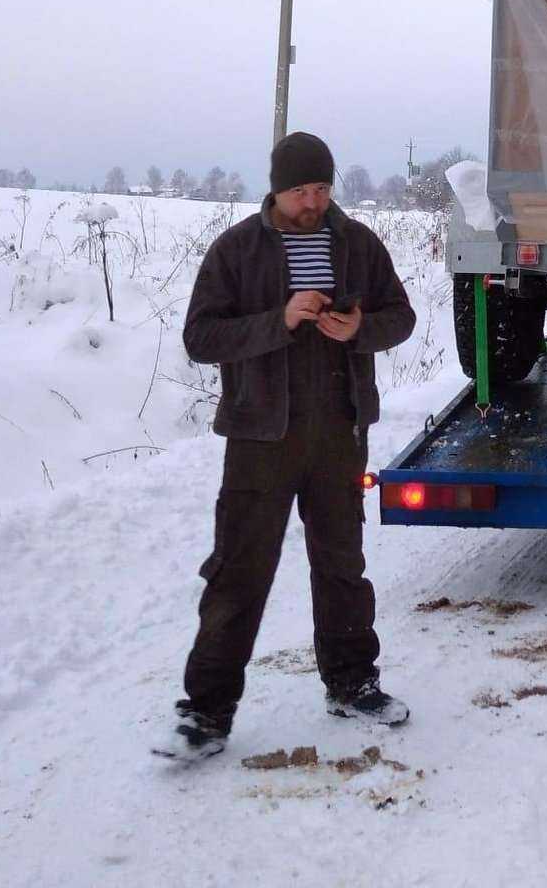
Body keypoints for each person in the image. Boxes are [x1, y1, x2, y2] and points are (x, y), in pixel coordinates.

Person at [158, 132, 416, 761]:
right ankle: (206, 713)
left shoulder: (357, 244)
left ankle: (352, 684)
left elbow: (401, 316)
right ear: (276, 189)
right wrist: (280, 320)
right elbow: (200, 338)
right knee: (240, 572)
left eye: (322, 188)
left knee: (341, 565)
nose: (313, 202)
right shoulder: (237, 250)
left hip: (338, 431)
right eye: (301, 190)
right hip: (259, 436)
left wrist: (360, 329)